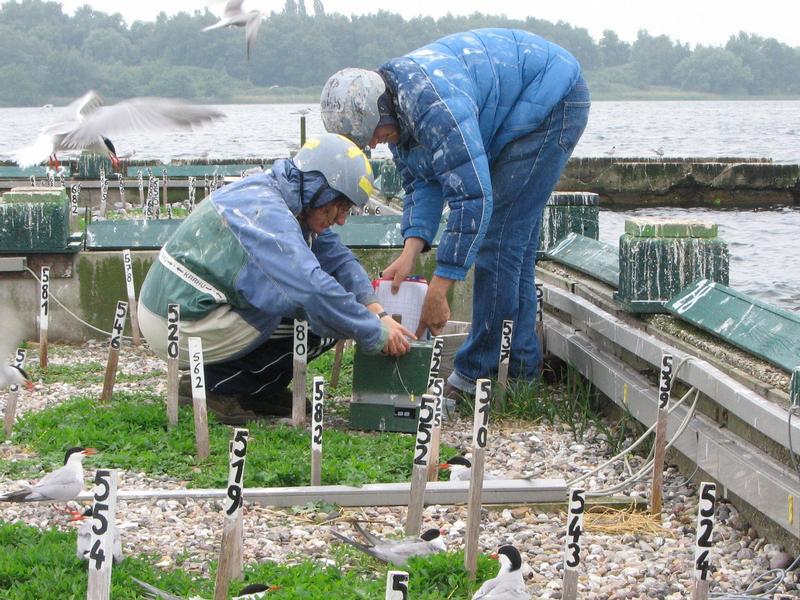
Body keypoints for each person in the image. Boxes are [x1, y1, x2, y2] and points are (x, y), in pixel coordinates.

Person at [320, 28, 590, 398]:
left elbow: (473, 198)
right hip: (520, 100)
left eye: (374, 134)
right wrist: (410, 251)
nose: (373, 143)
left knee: (500, 240)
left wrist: (440, 287)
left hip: (551, 99)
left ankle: (472, 378)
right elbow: (422, 180)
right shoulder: (399, 113)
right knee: (515, 247)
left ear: (382, 109)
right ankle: (521, 376)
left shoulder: (434, 107)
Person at [138, 134, 414, 424]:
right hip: (179, 321)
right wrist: (375, 332)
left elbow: (338, 260)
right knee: (325, 319)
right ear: (321, 188)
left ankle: (253, 388)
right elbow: (312, 292)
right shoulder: (269, 214)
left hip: (183, 308)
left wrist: (376, 311)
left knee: (337, 310)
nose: (342, 219)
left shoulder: (283, 196)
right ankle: (216, 388)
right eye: (341, 207)